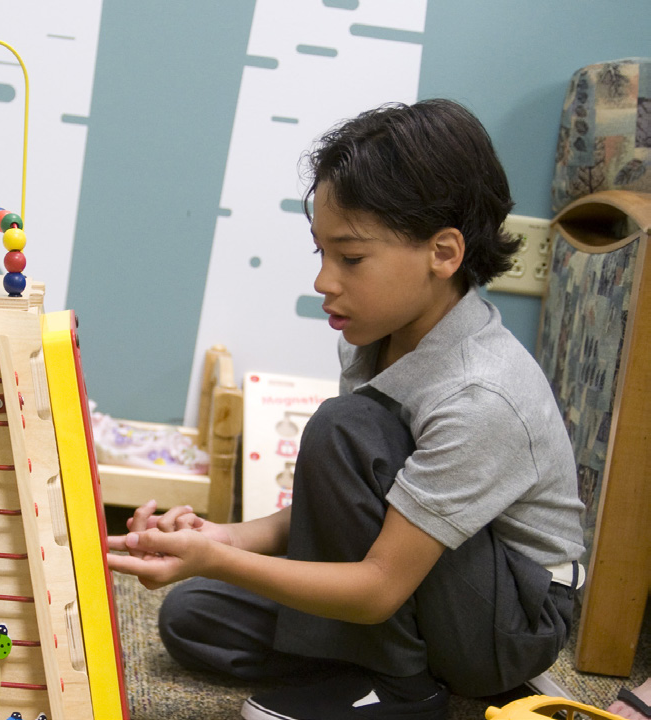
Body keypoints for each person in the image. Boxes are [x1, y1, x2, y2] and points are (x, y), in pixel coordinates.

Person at [108, 99, 586, 720]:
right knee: (194, 617)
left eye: (351, 258)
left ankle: (405, 691)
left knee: (344, 430)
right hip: (419, 578)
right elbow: (345, 503)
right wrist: (223, 538)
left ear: (443, 253)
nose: (324, 281)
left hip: (509, 618)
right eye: (321, 254)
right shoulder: (375, 344)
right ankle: (374, 665)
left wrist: (225, 559)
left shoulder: (479, 393)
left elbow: (381, 583)